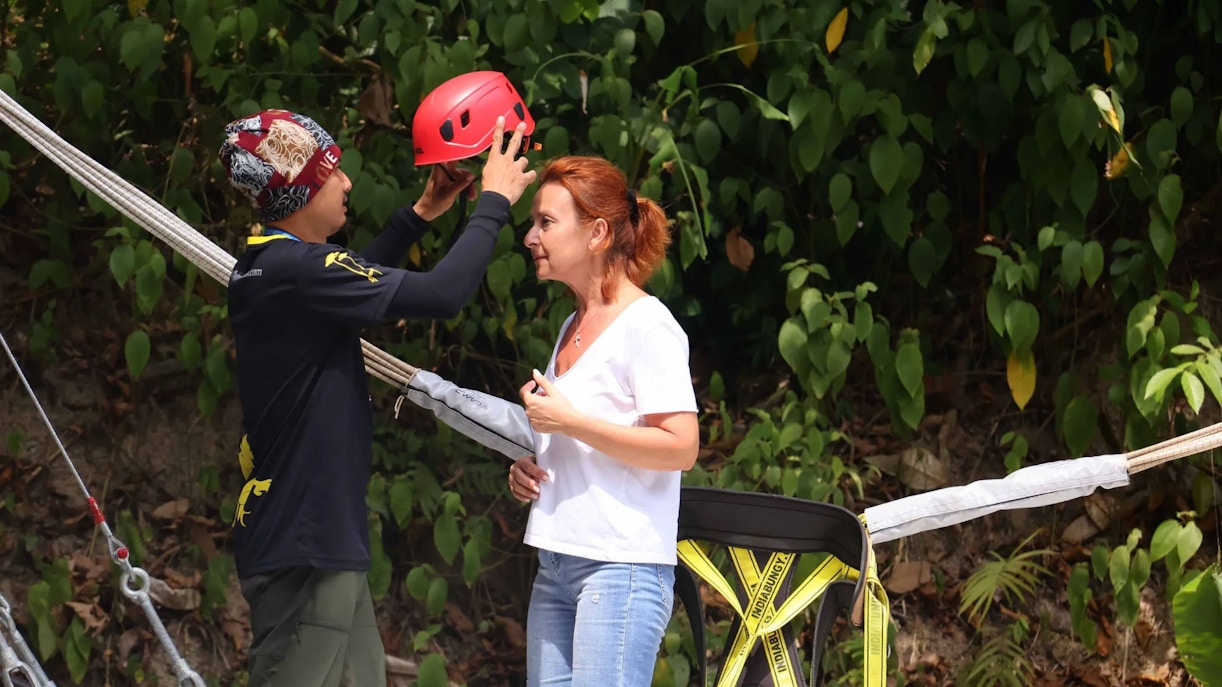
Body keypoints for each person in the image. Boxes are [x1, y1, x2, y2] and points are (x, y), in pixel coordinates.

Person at [219, 107, 536, 687]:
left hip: (317, 540)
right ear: (298, 191)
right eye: (331, 172)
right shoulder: (294, 269)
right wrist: (494, 201)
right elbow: (441, 294)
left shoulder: (272, 267)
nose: (346, 182)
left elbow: (354, 277)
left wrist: (420, 215)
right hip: (304, 544)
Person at [506, 156, 700, 687]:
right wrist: (535, 465)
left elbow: (681, 447)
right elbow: (583, 440)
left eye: (546, 222)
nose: (529, 237)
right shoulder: (571, 324)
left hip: (620, 570)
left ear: (596, 232)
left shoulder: (649, 325)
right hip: (556, 565)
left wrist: (570, 424)